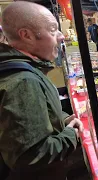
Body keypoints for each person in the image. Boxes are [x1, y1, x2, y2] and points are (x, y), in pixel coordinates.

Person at [0, 2, 83, 180]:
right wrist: (70, 133)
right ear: (26, 35)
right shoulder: (23, 81)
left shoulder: (26, 70)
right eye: (53, 30)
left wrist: (60, 121)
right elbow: (32, 157)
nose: (61, 36)